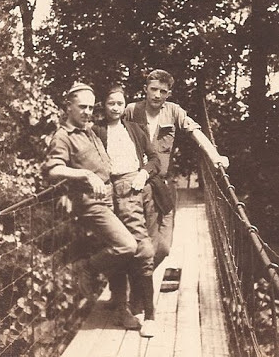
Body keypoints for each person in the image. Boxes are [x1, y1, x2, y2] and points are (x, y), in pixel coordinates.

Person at [43, 82, 139, 327]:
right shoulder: (63, 136)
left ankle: (121, 307)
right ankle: (87, 267)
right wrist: (85, 175)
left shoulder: (89, 130)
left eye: (90, 107)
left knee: (121, 252)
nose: (87, 112)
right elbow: (53, 169)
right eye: (81, 107)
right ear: (69, 106)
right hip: (91, 202)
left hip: (111, 195)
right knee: (126, 245)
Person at [124, 69, 229, 269]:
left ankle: (139, 278)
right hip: (136, 186)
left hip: (163, 186)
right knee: (140, 244)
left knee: (163, 248)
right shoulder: (131, 110)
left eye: (162, 91)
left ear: (169, 93)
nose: (157, 95)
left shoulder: (173, 111)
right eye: (153, 89)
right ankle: (138, 288)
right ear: (145, 89)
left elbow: (195, 131)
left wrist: (215, 157)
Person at [93, 85, 160, 337]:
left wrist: (144, 173)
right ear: (104, 104)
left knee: (143, 248)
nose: (115, 108)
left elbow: (154, 160)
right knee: (121, 249)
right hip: (111, 193)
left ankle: (149, 314)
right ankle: (123, 309)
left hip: (137, 191)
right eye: (111, 103)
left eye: (120, 103)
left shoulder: (135, 129)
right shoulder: (96, 132)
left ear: (125, 106)